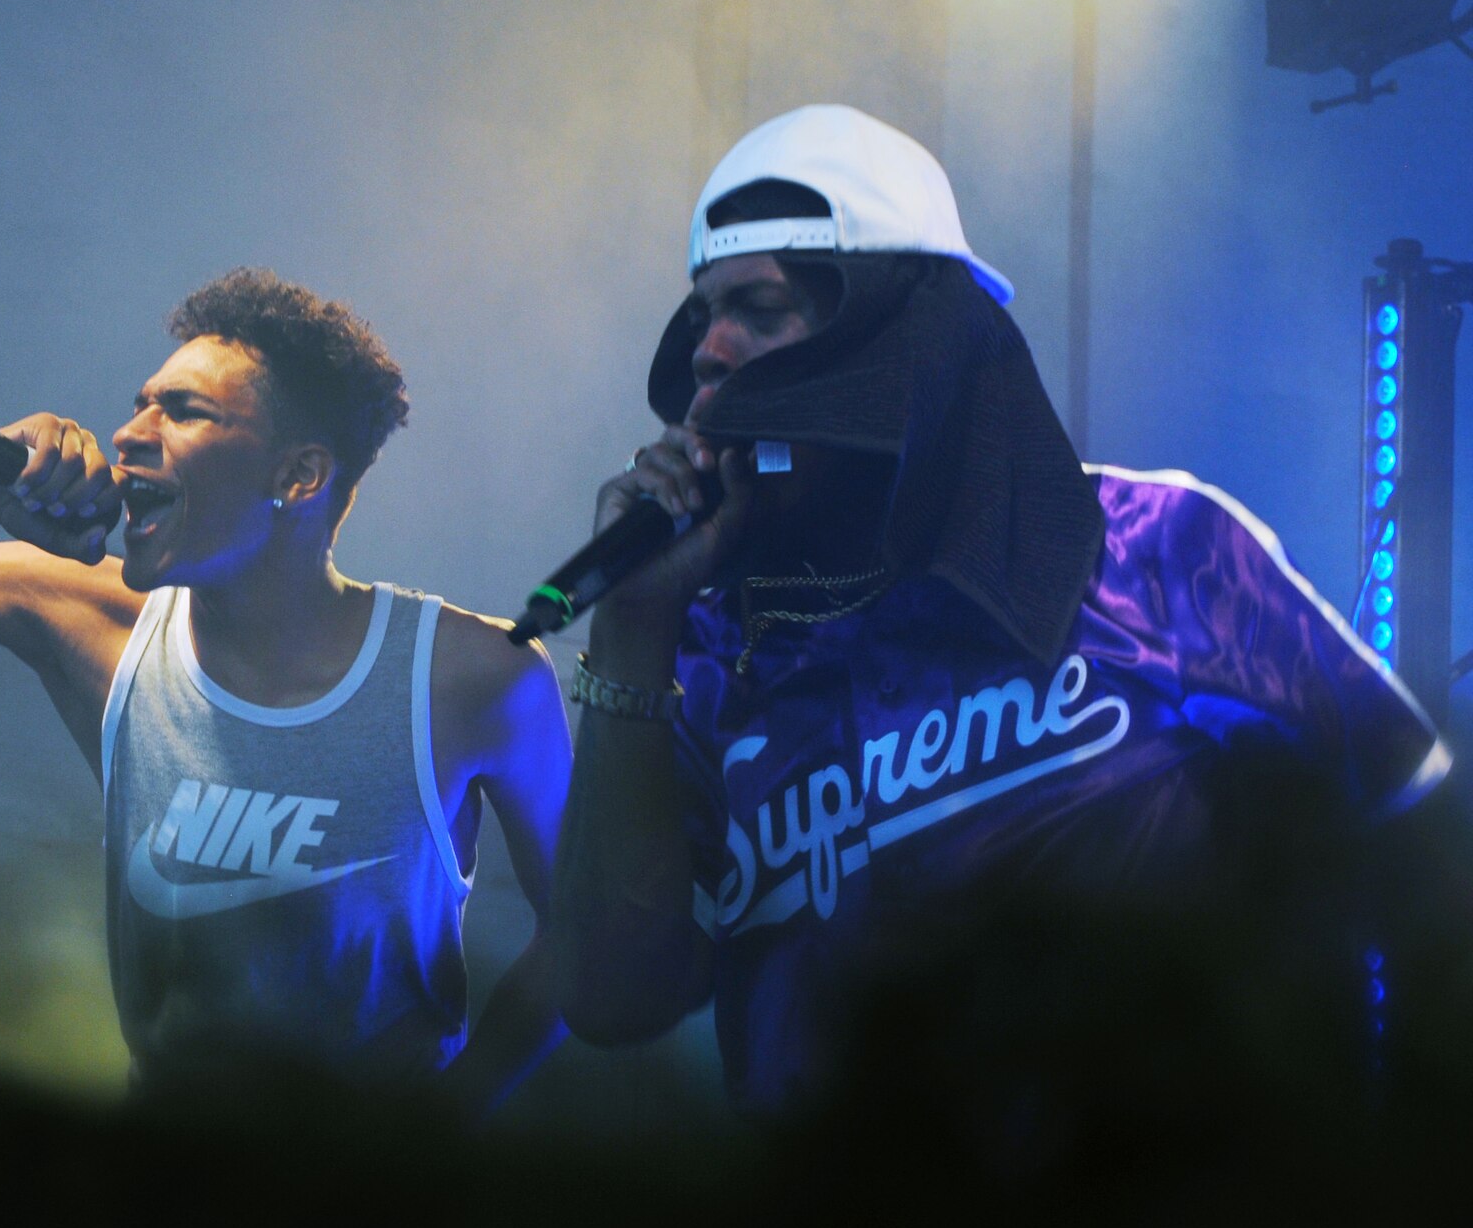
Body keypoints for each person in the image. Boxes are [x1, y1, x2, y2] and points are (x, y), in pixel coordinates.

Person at [551, 104, 1451, 1116]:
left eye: (759, 310)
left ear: (904, 336)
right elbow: (608, 999)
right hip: (839, 1216)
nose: (709, 355)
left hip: (1170, 1201)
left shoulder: (1160, 550)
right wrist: (630, 633)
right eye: (702, 317)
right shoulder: (709, 654)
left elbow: (1422, 836)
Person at [0, 268, 570, 1114]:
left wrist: (447, 1125)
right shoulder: (94, 614)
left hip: (383, 1199)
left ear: (297, 476)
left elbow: (585, 939)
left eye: (182, 410)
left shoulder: (470, 675)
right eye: (141, 401)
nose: (127, 433)